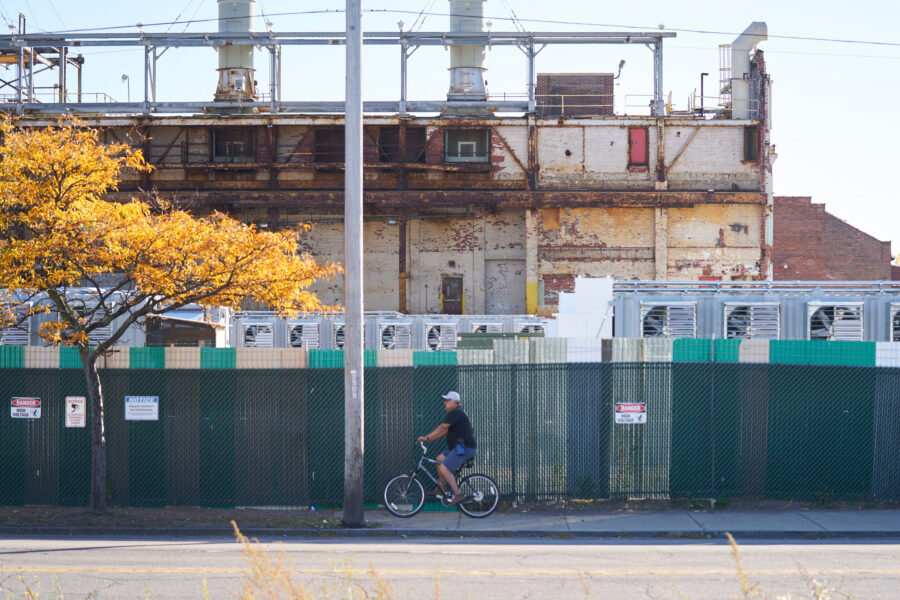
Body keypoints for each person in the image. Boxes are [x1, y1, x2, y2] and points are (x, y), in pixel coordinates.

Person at [417, 390, 477, 507]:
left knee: (444, 468)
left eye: (447, 400)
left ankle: (458, 494)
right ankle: (441, 488)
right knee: (439, 459)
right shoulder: (456, 413)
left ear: (454, 402)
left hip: (464, 447)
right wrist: (428, 440)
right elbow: (445, 431)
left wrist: (427, 436)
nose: (444, 403)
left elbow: (442, 427)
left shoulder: (456, 412)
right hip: (460, 447)